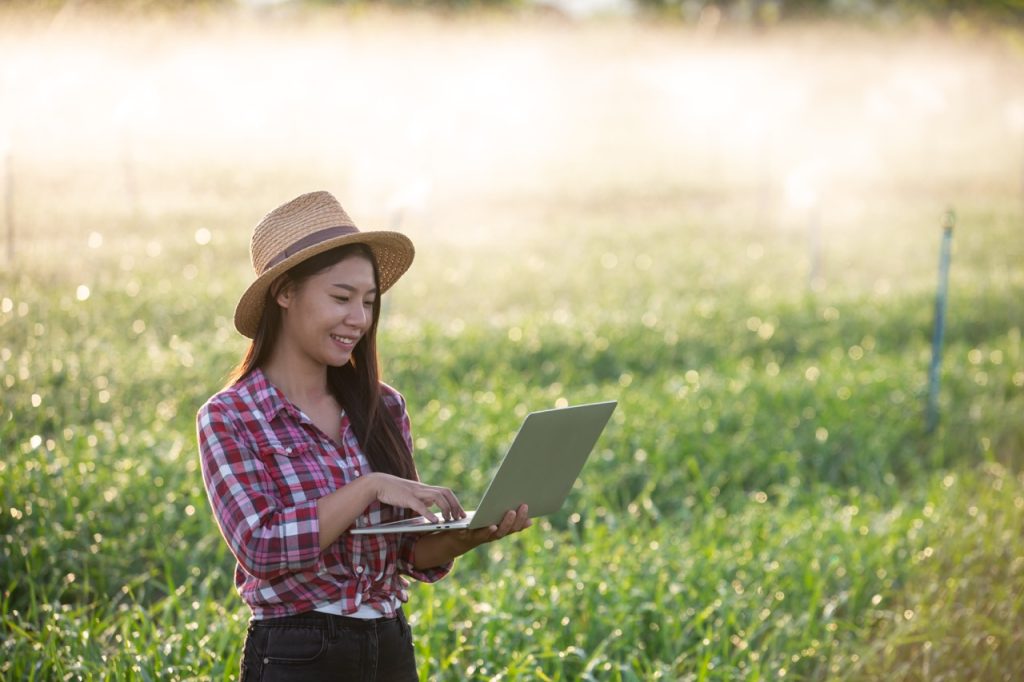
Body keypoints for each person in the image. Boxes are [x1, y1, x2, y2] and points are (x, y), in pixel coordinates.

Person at [196, 190, 532, 681]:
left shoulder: (384, 405)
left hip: (390, 646)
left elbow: (404, 554)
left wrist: (467, 537)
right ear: (285, 292)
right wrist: (369, 486)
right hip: (298, 654)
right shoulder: (232, 416)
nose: (360, 319)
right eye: (341, 297)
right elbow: (261, 549)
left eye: (369, 302)